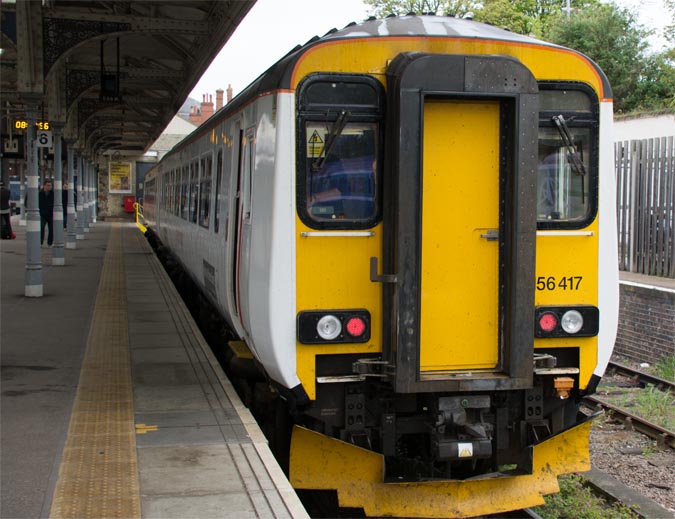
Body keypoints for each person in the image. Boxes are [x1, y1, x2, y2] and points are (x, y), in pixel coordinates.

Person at [39, 180, 54, 247]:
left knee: (51, 229)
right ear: (44, 186)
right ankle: (40, 242)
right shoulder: (40, 194)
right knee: (41, 228)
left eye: (50, 185)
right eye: (48, 185)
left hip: (51, 214)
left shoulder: (53, 194)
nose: (49, 187)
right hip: (42, 214)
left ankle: (50, 243)